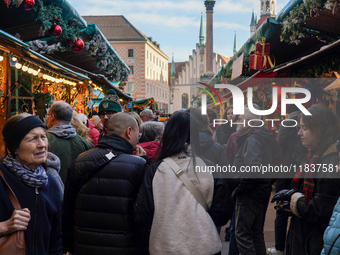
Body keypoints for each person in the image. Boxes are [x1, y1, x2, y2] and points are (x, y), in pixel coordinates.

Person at [134, 112, 232, 255]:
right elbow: (222, 214)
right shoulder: (210, 167)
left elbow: (143, 214)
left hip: (165, 246)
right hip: (204, 246)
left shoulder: (156, 170)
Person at [62, 113, 149, 255]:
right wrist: (145, 162)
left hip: (85, 245)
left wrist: (70, 244)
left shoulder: (80, 160)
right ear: (129, 132)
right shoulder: (138, 165)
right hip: (125, 246)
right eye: (137, 134)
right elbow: (144, 213)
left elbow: (68, 208)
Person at [272, 104, 340, 255]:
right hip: (306, 238)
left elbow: (321, 209)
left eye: (304, 128)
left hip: (313, 242)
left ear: (320, 130)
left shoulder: (330, 161)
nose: (299, 133)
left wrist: (294, 200)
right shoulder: (314, 155)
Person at [0, 114, 63, 254]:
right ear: (14, 148)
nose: (42, 144)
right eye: (33, 139)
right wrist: (4, 226)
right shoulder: (2, 179)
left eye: (43, 137)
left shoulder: (50, 182)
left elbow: (55, 240)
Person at [232, 105, 283, 255]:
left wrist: (238, 190)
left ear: (251, 123)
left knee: (243, 234)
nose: (237, 121)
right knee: (256, 233)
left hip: (251, 193)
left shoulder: (253, 139)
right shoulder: (261, 136)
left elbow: (252, 170)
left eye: (240, 119)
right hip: (261, 190)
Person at [267, 105, 308, 255]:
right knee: (298, 207)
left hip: (286, 170)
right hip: (300, 171)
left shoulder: (287, 124)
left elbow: (278, 147)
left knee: (281, 210)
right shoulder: (305, 123)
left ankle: (279, 247)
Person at [46, 101, 93, 184]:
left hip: (52, 191)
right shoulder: (83, 142)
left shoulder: (44, 140)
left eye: (48, 115)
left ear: (52, 117)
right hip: (77, 192)